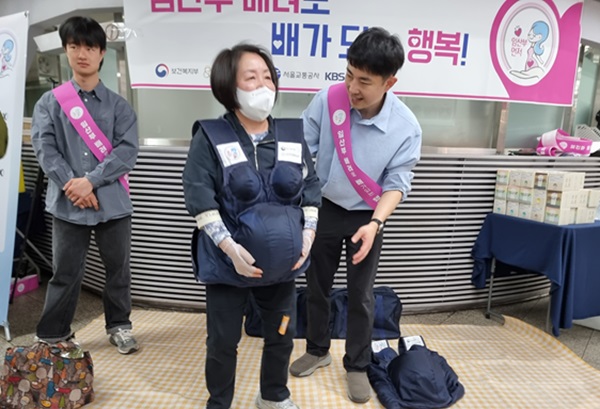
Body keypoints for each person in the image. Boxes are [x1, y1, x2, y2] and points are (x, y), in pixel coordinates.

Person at [182, 43, 321, 409]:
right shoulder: (211, 136)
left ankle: (274, 395)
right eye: (251, 77)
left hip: (283, 268)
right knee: (223, 341)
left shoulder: (291, 135)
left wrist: (308, 235)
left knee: (282, 333)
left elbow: (310, 188)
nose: (263, 85)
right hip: (228, 267)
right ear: (230, 86)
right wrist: (230, 249)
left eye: (268, 77)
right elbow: (199, 197)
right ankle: (220, 402)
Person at [289, 27, 422, 404]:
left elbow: (398, 181)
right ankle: (317, 349)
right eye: (349, 75)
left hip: (368, 216)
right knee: (316, 285)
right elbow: (300, 152)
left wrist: (376, 223)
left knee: (362, 294)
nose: (352, 87)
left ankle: (358, 365)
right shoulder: (327, 100)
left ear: (389, 82)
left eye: (364, 81)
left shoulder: (406, 127)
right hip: (325, 206)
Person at [31, 16, 140, 355]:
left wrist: (90, 181)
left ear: (102, 53)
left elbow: (126, 151)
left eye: (90, 47)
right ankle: (53, 333)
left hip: (113, 203)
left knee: (118, 270)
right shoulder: (49, 103)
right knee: (65, 272)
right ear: (66, 50)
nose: (82, 53)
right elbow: (45, 149)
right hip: (68, 204)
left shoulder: (120, 106)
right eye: (75, 46)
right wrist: (73, 186)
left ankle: (119, 326)